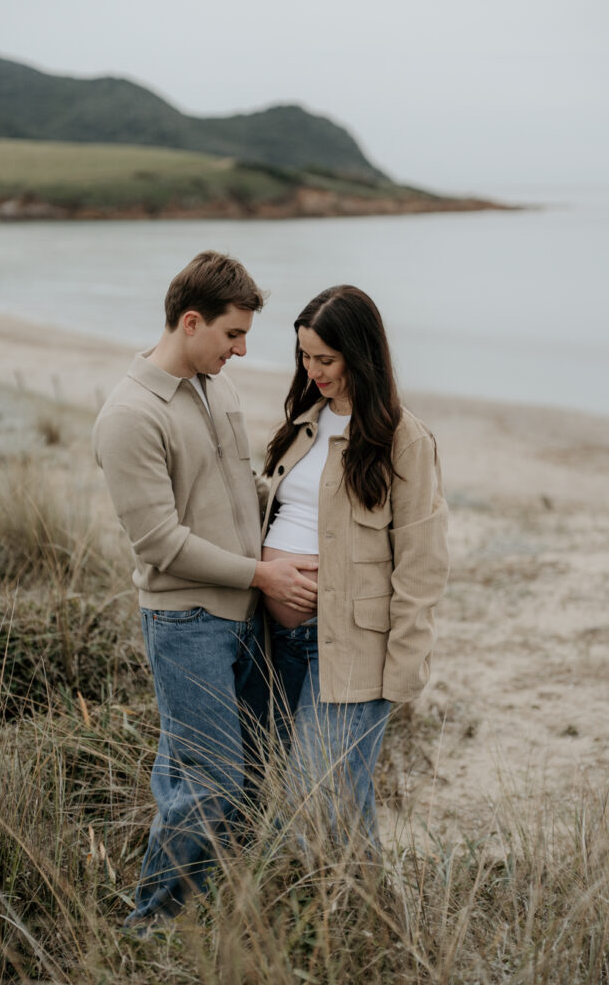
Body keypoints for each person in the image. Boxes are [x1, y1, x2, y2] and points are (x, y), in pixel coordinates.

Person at [92, 251, 318, 927]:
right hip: (185, 623)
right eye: (232, 334)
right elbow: (158, 543)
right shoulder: (129, 416)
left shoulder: (216, 388)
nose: (243, 350)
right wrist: (263, 573)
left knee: (246, 772)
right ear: (190, 322)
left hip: (247, 615)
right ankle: (150, 930)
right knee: (209, 780)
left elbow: (243, 491)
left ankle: (215, 914)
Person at [261, 285, 449, 852]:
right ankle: (369, 920)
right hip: (276, 639)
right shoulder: (303, 422)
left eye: (326, 359)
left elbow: (422, 564)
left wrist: (403, 671)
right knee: (337, 804)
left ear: (360, 355)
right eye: (303, 356)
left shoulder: (404, 440)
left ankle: (329, 921)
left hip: (348, 647)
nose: (311, 370)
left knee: (311, 801)